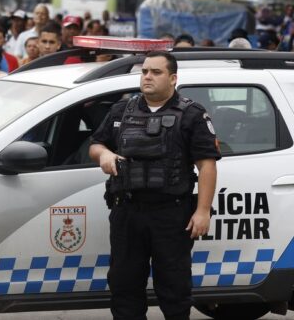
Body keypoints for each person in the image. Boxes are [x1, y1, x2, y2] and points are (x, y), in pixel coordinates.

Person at [89, 51, 219, 320]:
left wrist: (203, 211)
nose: (147, 77)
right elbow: (96, 144)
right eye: (145, 71)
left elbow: (206, 165)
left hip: (170, 214)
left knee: (174, 288)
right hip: (127, 211)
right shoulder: (121, 110)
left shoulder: (191, 114)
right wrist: (104, 154)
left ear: (173, 78)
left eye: (156, 72)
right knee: (124, 285)